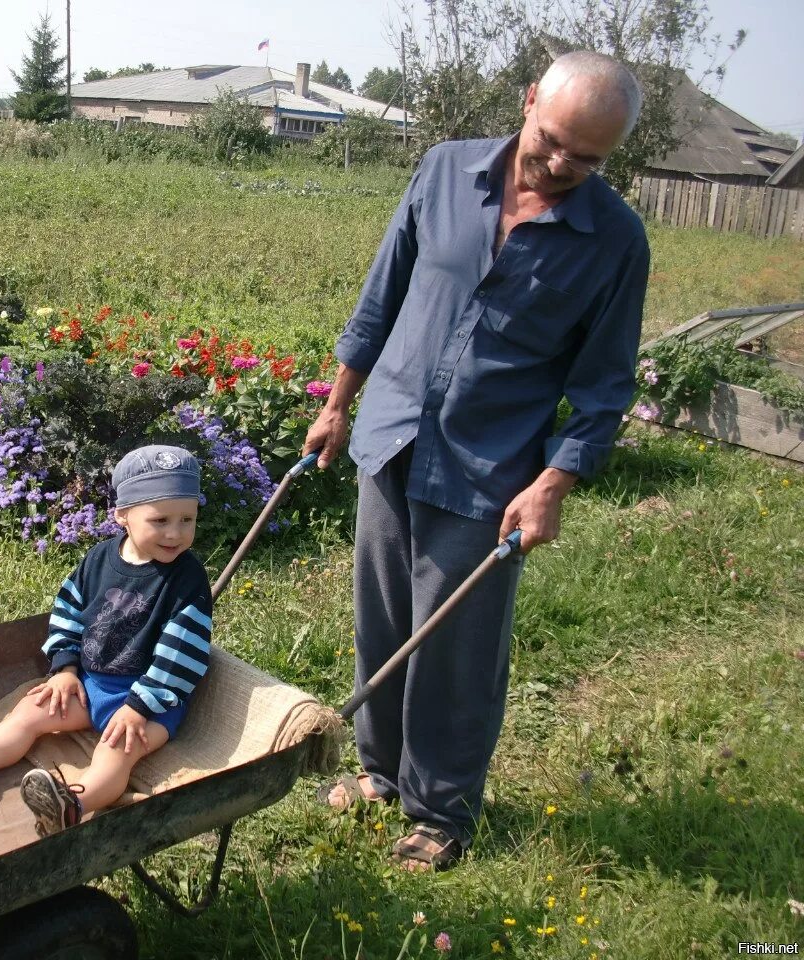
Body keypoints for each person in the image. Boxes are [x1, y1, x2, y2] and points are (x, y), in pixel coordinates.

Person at [305, 51, 650, 871]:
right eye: (554, 140)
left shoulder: (615, 242)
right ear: (529, 101)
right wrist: (337, 402)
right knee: (382, 620)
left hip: (487, 470)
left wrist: (553, 484)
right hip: (390, 433)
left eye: (588, 158)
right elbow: (381, 296)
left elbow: (604, 387)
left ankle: (442, 811)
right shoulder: (444, 171)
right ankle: (380, 772)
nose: (562, 165)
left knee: (457, 648)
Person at [0, 445, 213, 836]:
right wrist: (65, 668)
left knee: (115, 753)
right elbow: (69, 613)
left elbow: (181, 654)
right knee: (29, 712)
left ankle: (73, 803)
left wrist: (139, 707)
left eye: (187, 519)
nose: (175, 533)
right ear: (122, 515)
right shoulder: (99, 559)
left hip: (151, 702)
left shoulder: (186, 580)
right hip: (94, 684)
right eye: (160, 520)